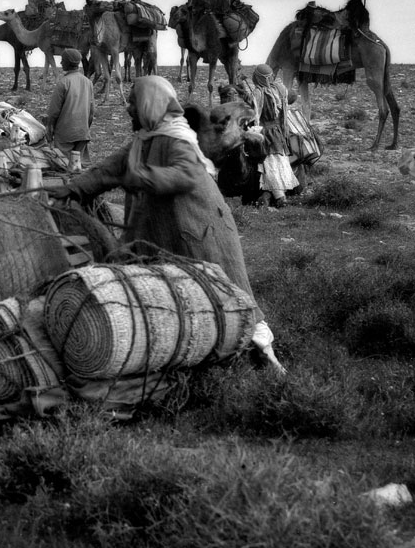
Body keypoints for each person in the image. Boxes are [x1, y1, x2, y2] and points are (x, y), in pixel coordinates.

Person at [46, 75, 284, 372]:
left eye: (134, 102)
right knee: (181, 297)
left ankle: (263, 357)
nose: (128, 108)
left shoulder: (176, 139)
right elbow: (108, 170)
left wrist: (140, 177)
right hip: (168, 230)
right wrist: (71, 189)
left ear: (151, 104)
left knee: (225, 291)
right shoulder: (146, 139)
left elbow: (184, 175)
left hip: (200, 233)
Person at [238, 64, 299, 208]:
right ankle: (279, 195)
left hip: (265, 133)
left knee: (270, 164)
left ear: (257, 78)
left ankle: (279, 197)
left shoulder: (258, 93)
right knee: (279, 163)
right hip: (278, 131)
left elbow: (253, 110)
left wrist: (242, 89)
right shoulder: (280, 89)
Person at [46, 47, 94, 166]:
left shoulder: (63, 83)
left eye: (63, 60)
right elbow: (91, 112)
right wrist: (85, 128)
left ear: (68, 62)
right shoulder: (88, 82)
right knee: (77, 166)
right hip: (82, 134)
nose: (61, 62)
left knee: (63, 167)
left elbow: (53, 112)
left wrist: (50, 129)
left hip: (65, 135)